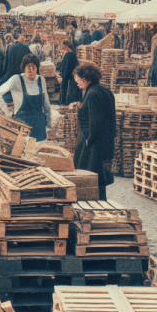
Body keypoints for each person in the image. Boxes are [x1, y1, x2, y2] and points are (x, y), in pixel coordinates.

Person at [72, 62, 116, 200]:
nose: (76, 81)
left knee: (89, 181)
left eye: (78, 78)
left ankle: (93, 211)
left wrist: (88, 140)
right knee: (100, 182)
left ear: (85, 78)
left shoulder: (92, 94)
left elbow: (95, 122)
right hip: (105, 144)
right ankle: (101, 208)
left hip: (92, 146)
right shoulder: (106, 92)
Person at [0, 54, 52, 141]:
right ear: (24, 68)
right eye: (29, 67)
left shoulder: (41, 80)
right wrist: (8, 113)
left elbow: (46, 103)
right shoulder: (16, 79)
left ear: (37, 69)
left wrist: (49, 123)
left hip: (39, 127)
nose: (31, 71)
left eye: (34, 68)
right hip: (22, 126)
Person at [59, 40, 81, 105]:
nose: (61, 50)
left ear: (66, 48)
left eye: (62, 48)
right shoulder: (73, 55)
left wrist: (63, 84)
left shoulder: (68, 55)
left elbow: (66, 71)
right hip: (73, 82)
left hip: (70, 84)